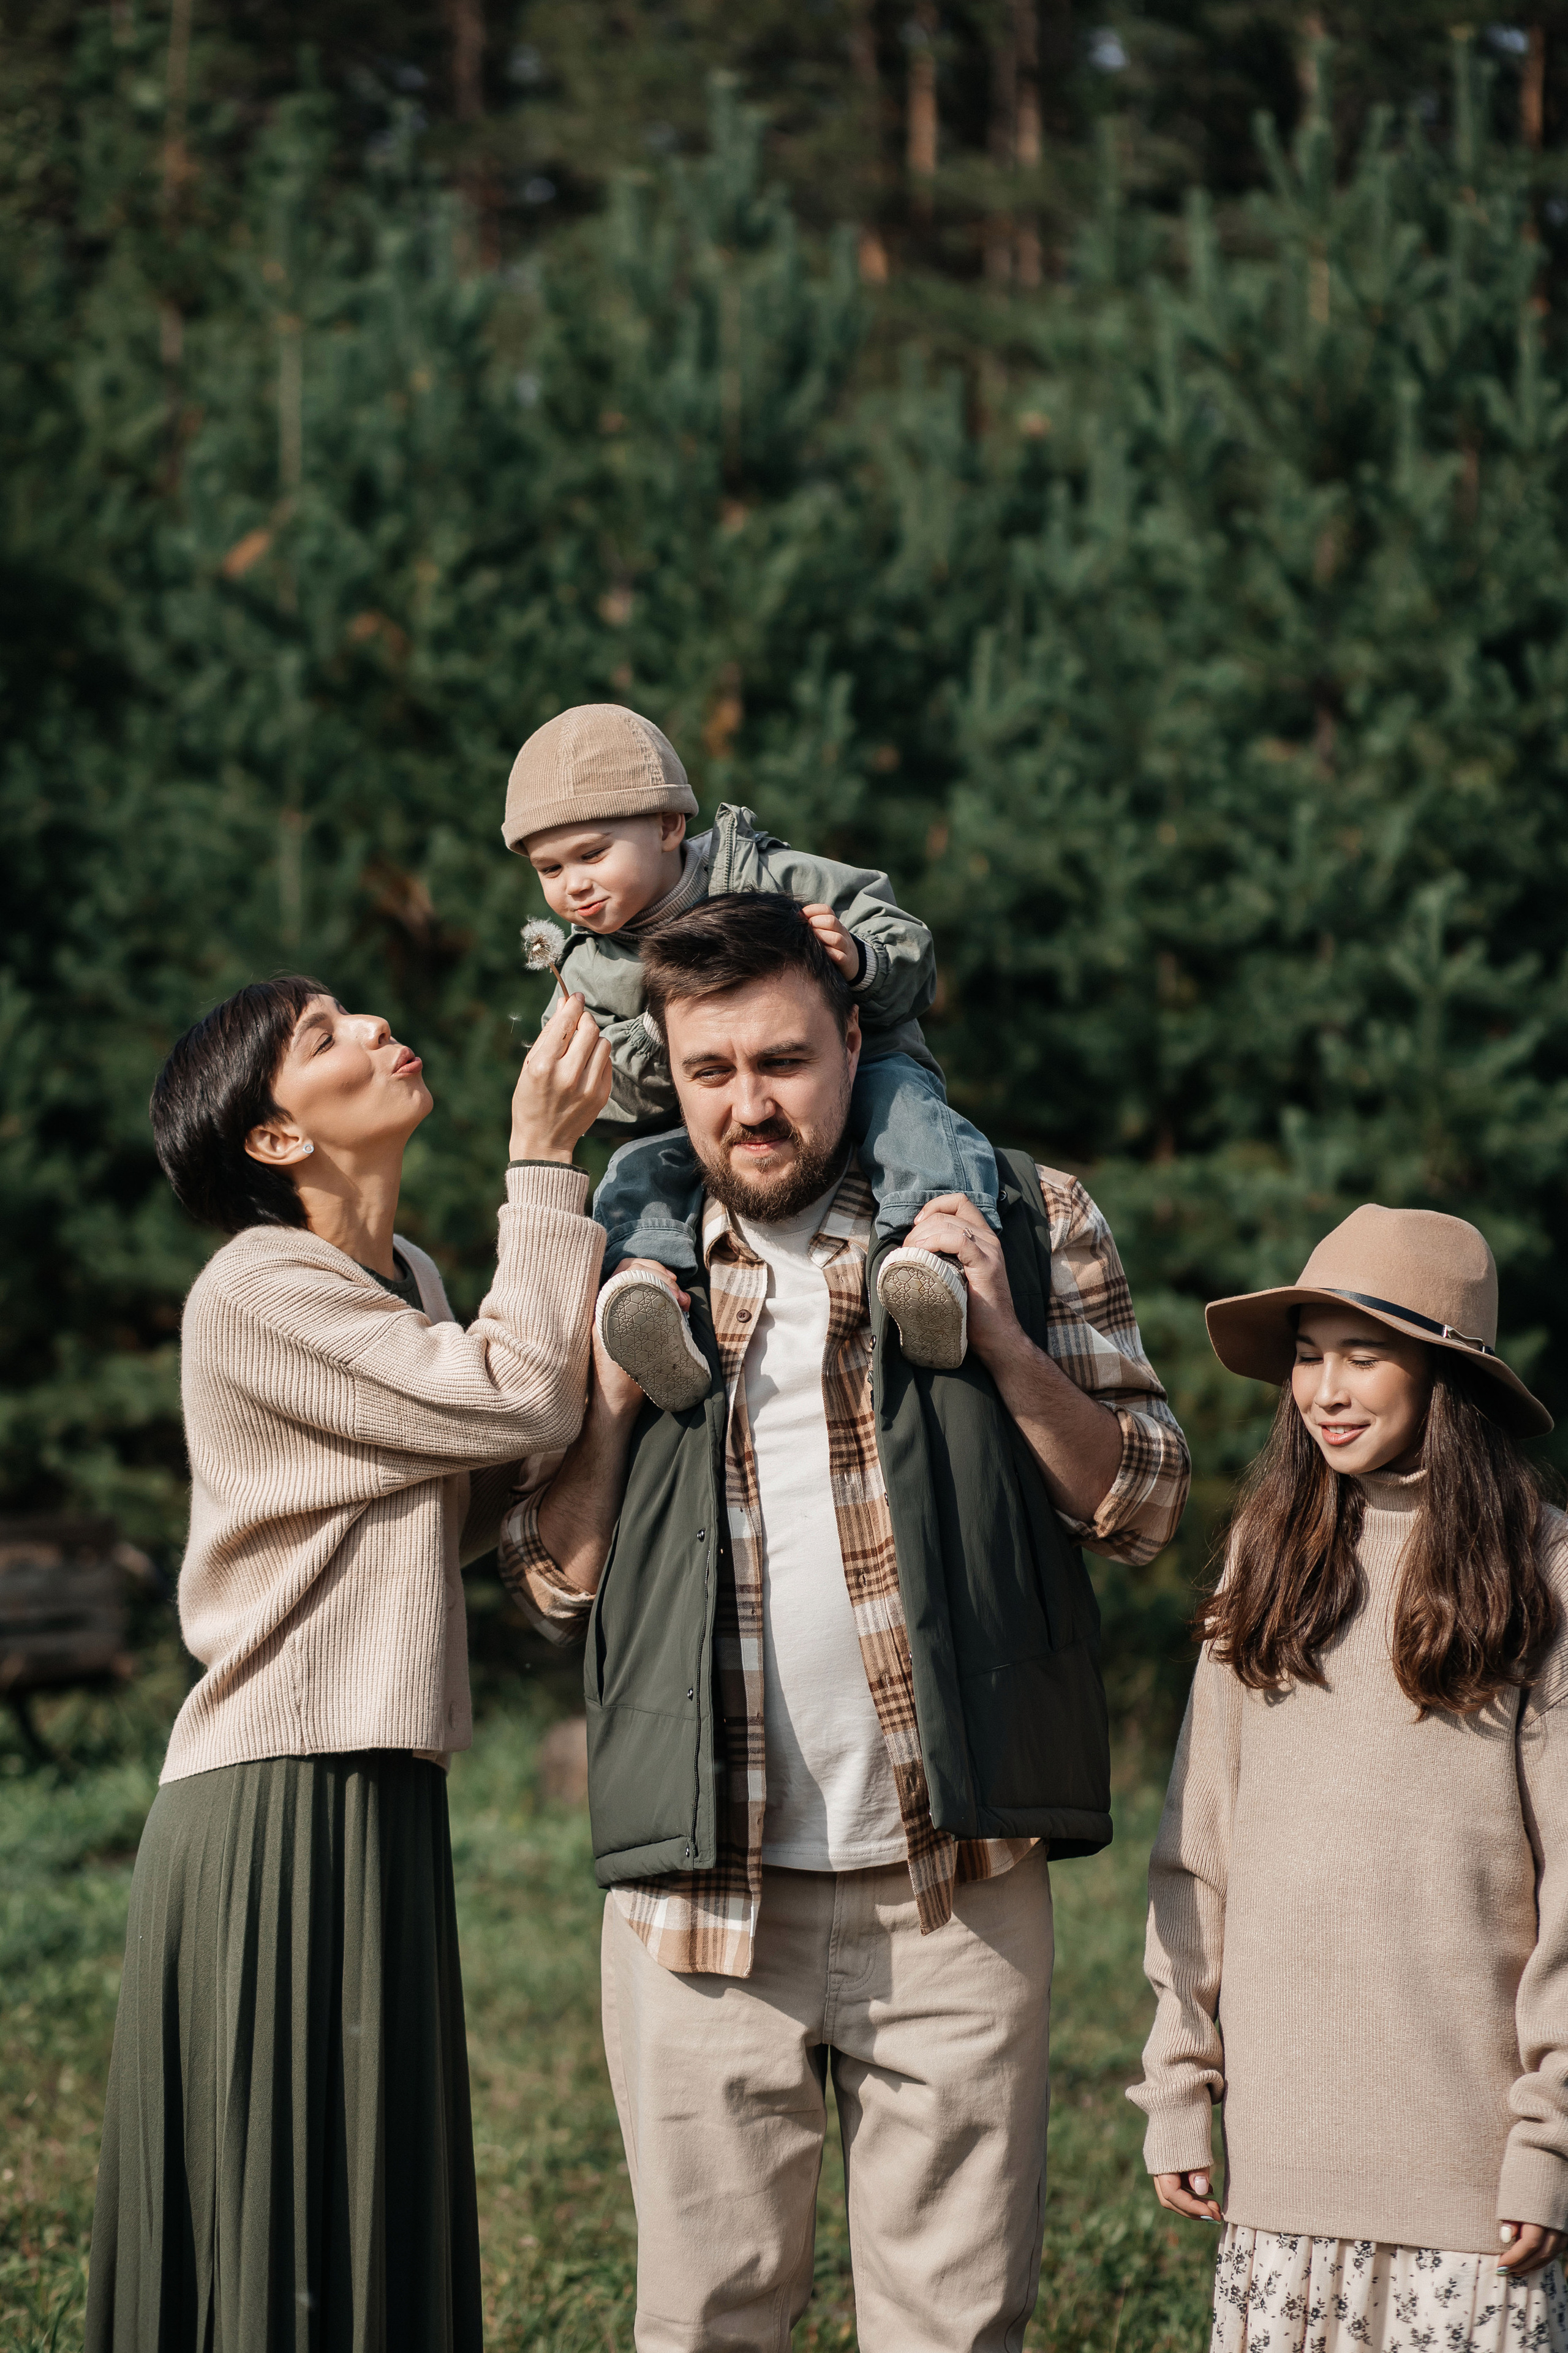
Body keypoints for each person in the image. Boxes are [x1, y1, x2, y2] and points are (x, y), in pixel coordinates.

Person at [498, 890, 1191, 2353]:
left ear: (854, 1034)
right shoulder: (628, 1261)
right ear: (667, 1073)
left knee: (953, 2326)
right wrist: (613, 1403)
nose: (748, 1105)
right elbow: (551, 1576)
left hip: (952, 1881)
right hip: (697, 1900)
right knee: (704, 2319)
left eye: (783, 1061)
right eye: (710, 1072)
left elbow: (1141, 1501)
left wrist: (999, 1336)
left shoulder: (1015, 1209)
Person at [85, 977, 612, 2352]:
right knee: (293, 2214)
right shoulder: (258, 1290)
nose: (377, 1029)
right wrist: (544, 1161)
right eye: (323, 1038)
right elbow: (519, 1395)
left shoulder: (411, 1284)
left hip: (375, 1779)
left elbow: (490, 1478)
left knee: (363, 2203)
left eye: (355, 1014)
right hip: (272, 1797)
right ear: (273, 1140)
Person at [1129, 1203, 1568, 2353]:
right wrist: (1179, 2078)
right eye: (1309, 1355)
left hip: (1471, 2193)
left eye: (1363, 1355)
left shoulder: (1546, 1571)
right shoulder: (1267, 1559)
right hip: (1281, 2190)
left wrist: (1550, 2136)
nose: (1324, 1388)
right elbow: (1199, 1846)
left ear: (1446, 1374)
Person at [502, 699, 1003, 1394]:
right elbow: (606, 1096)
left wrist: (860, 958)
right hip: (693, 1120)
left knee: (907, 1119)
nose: (574, 885)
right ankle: (649, 1298)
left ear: (669, 825)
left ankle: (932, 1260)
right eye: (549, 869)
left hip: (862, 1068)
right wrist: (659, 1032)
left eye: (592, 854)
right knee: (635, 1171)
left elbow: (909, 947)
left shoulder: (772, 876)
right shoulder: (581, 968)